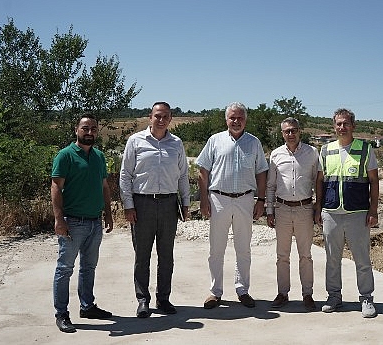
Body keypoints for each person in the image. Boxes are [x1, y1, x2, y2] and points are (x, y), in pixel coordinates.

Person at [119, 101, 191, 318]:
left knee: (166, 255)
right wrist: (128, 206)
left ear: (170, 119)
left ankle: (163, 299)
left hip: (169, 203)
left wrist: (185, 203)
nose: (161, 120)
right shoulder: (136, 141)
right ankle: (143, 300)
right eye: (157, 116)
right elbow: (125, 175)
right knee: (142, 256)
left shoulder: (176, 143)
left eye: (165, 116)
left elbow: (183, 175)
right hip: (142, 204)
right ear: (150, 117)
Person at [196, 102, 268, 309]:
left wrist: (260, 200)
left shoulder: (254, 143)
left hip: (245, 199)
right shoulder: (214, 141)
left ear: (246, 120)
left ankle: (242, 289)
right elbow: (203, 171)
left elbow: (261, 172)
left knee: (243, 249)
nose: (236, 121)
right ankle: (215, 291)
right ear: (226, 119)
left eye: (240, 118)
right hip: (219, 199)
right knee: (216, 249)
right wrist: (203, 199)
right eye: (232, 118)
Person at [51, 113, 114, 333]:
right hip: (72, 221)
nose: (89, 132)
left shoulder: (99, 156)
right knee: (65, 268)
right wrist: (59, 219)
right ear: (77, 130)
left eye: (93, 129)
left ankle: (87, 306)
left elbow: (104, 186)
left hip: (95, 222)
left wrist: (108, 213)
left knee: (89, 267)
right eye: (85, 128)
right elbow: (56, 187)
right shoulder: (65, 155)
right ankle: (62, 314)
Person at [314, 108, 379, 318]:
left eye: (346, 123)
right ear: (334, 127)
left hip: (357, 213)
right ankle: (334, 296)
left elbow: (374, 182)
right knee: (332, 259)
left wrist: (373, 210)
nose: (342, 127)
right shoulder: (326, 150)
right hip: (331, 212)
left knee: (362, 259)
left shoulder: (365, 149)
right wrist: (318, 208)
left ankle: (366, 298)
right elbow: (320, 181)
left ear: (353, 126)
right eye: (338, 124)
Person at [266, 117, 320, 312]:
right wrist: (269, 211)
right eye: (287, 131)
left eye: (294, 130)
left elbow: (317, 182)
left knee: (305, 255)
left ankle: (308, 294)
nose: (291, 134)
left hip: (305, 209)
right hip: (281, 210)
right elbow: (271, 186)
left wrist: (318, 208)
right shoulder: (276, 155)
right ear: (282, 133)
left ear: (300, 131)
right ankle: (283, 293)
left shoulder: (312, 153)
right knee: (282, 255)